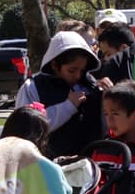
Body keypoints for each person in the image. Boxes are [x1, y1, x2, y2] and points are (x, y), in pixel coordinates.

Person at [14, 30, 102, 158]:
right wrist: (68, 106)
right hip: (47, 169)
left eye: (82, 70)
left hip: (87, 167)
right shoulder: (32, 87)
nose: (77, 76)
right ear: (55, 64)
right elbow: (26, 130)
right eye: (72, 70)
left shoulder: (91, 86)